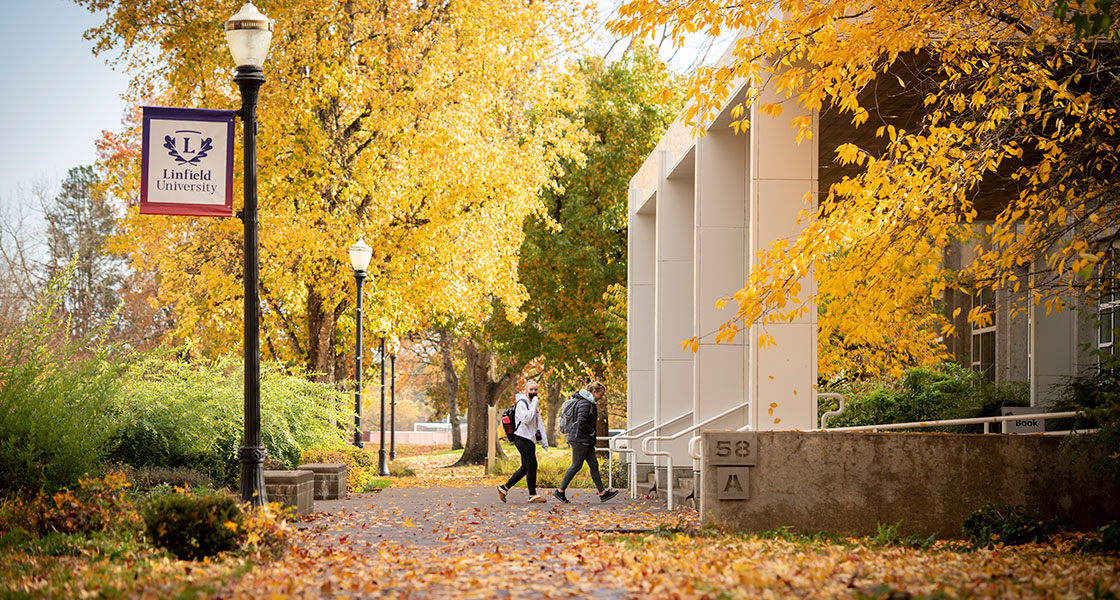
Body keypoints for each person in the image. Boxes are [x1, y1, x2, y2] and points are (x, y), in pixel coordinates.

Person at [552, 381, 619, 504]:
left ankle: (603, 493)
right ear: (594, 391)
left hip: (585, 439)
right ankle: (560, 491)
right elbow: (581, 421)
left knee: (593, 465)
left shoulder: (588, 402)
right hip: (580, 439)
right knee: (576, 465)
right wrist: (591, 432)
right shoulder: (585, 403)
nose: (601, 397)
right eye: (601, 395)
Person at [497, 381, 549, 503]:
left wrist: (543, 441)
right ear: (526, 391)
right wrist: (534, 404)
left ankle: (504, 488)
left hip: (529, 438)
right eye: (531, 389)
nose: (534, 392)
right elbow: (526, 419)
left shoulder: (532, 403)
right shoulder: (522, 403)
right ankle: (532, 495)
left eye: (536, 389)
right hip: (521, 437)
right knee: (532, 465)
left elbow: (538, 422)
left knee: (525, 467)